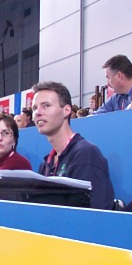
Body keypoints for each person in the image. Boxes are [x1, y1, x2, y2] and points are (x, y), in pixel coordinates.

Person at [32, 81, 115, 210]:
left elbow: (91, 215)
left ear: (67, 110)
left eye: (46, 106)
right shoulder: (46, 165)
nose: (37, 112)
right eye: (34, 108)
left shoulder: (86, 155)